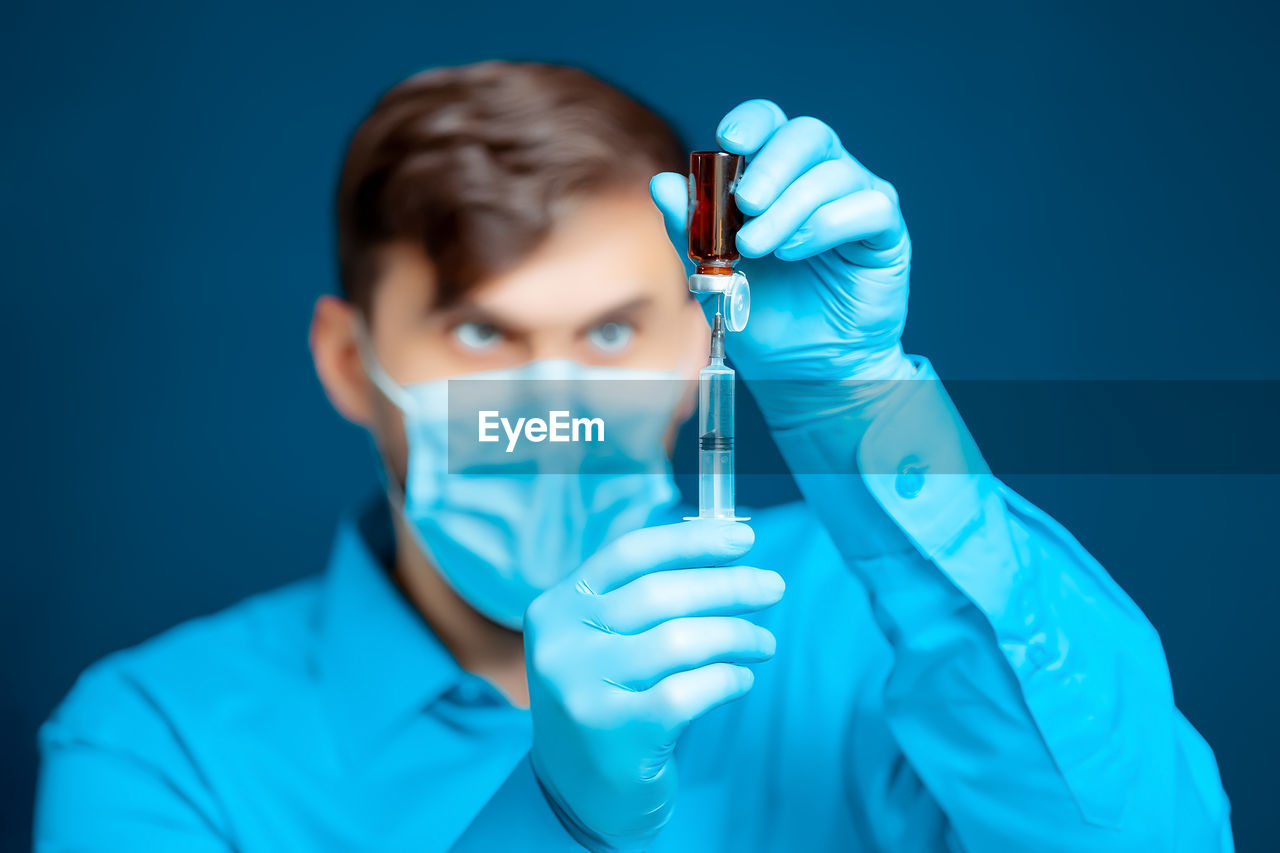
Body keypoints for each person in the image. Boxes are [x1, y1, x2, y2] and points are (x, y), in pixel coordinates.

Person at [34, 60, 1232, 852]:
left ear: (702, 328)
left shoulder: (869, 618)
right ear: (349, 361)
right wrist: (560, 811)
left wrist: (848, 399)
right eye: (480, 332)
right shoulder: (158, 738)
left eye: (611, 331)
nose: (552, 404)